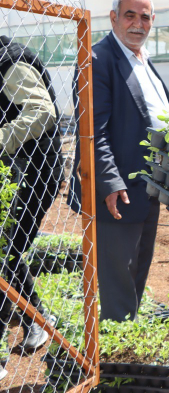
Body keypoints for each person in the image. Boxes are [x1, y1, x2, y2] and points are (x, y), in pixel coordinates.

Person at [69, 0, 169, 322]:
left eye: (145, 17)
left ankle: (125, 341)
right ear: (113, 18)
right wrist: (111, 184)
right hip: (116, 191)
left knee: (137, 270)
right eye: (130, 15)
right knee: (118, 278)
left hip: (148, 184)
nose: (137, 23)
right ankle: (114, 361)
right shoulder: (98, 60)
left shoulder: (142, 58)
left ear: (152, 22)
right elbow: (92, 131)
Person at [0, 35, 62, 371]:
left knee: (3, 252)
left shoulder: (10, 63)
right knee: (5, 252)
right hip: (15, 176)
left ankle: (34, 322)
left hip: (33, 175)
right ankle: (37, 318)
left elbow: (42, 112)